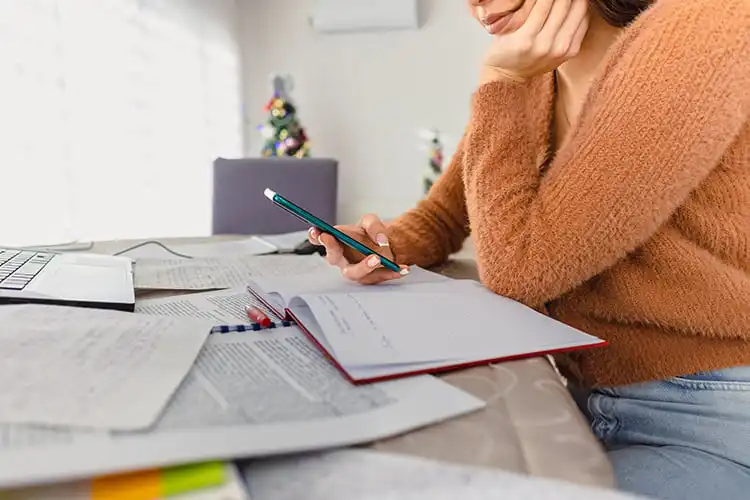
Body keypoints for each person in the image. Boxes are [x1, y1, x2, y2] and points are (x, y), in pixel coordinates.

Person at [308, 0, 750, 497]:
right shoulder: (539, 78)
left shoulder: (704, 24)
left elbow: (517, 270)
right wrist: (379, 245)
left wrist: (500, 81)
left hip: (715, 420)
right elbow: (445, 216)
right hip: (590, 404)